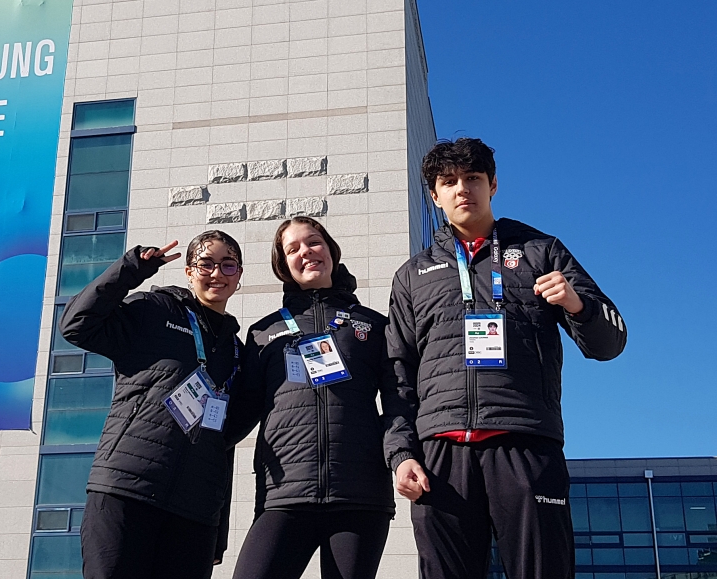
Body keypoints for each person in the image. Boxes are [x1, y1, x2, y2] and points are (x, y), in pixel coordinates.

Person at [385, 138, 627, 579]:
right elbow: (398, 377)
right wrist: (401, 454)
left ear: (493, 185)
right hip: (441, 452)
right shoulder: (412, 275)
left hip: (525, 443)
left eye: (473, 178)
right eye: (449, 181)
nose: (463, 189)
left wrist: (578, 305)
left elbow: (610, 343)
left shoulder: (540, 250)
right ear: (434, 196)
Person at [229, 216, 412, 579]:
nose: (306, 252)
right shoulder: (264, 333)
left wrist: (402, 455)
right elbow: (238, 415)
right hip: (284, 494)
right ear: (283, 264)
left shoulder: (373, 325)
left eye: (313, 242)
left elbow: (399, 398)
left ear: (329, 249)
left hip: (359, 494)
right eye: (293, 248)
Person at [60, 231, 246, 579]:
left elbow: (225, 442)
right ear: (189, 271)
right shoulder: (154, 310)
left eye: (228, 265)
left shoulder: (237, 351)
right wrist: (131, 270)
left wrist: (217, 530)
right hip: (127, 488)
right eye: (206, 263)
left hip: (193, 511)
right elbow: (76, 326)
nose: (217, 273)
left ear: (238, 276)